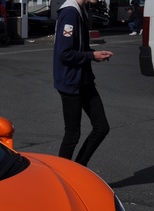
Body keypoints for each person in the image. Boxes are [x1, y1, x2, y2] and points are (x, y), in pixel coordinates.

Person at [53, 0, 113, 167]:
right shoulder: (70, 13)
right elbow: (64, 53)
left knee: (101, 127)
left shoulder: (80, 10)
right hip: (70, 82)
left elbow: (79, 49)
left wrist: (95, 54)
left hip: (84, 79)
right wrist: (92, 56)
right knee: (72, 135)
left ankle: (79, 168)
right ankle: (61, 176)